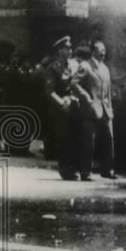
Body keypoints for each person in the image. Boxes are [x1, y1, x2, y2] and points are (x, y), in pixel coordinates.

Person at [45, 36, 80, 180]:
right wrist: (61, 103)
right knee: (64, 139)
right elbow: (49, 91)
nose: (70, 50)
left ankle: (73, 167)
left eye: (71, 48)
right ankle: (65, 170)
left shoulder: (73, 66)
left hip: (74, 107)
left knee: (75, 138)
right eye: (67, 48)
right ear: (60, 51)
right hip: (61, 110)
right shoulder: (54, 68)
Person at [68, 44, 102, 181]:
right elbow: (74, 83)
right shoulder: (85, 66)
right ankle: (84, 171)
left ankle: (84, 170)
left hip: (93, 109)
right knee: (86, 141)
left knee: (88, 141)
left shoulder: (97, 67)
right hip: (86, 109)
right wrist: (86, 96)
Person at [90, 40, 117, 179]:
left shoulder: (105, 68)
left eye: (104, 50)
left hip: (106, 109)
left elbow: (108, 92)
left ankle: (108, 170)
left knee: (108, 138)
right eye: (100, 50)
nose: (103, 52)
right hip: (93, 108)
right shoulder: (87, 66)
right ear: (93, 51)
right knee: (91, 140)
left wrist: (110, 109)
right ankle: (87, 170)